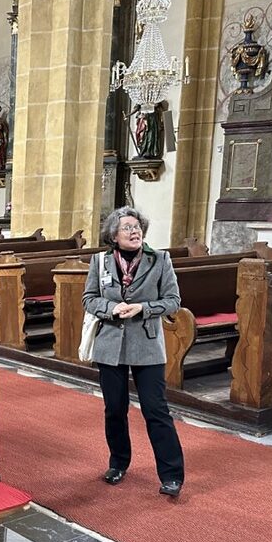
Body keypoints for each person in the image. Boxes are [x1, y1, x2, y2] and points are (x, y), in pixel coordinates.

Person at [82, 206, 185, 498]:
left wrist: (143, 308)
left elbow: (173, 301)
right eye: (126, 227)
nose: (134, 231)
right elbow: (89, 298)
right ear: (113, 235)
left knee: (156, 410)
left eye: (137, 226)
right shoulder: (100, 261)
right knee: (115, 409)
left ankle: (172, 475)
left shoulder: (160, 259)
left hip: (147, 344)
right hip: (110, 344)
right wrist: (111, 308)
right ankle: (118, 463)